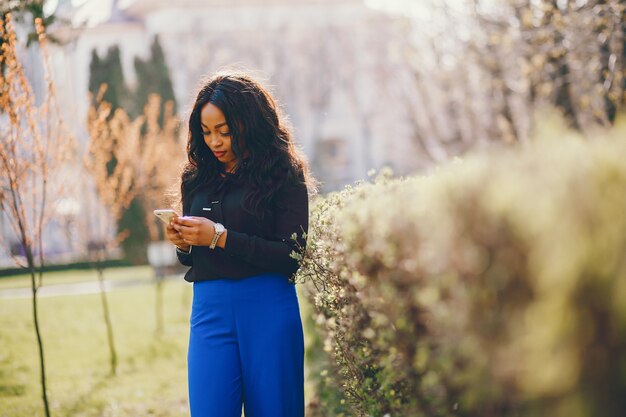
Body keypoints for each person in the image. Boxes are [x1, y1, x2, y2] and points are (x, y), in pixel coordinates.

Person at [164, 70, 315, 417]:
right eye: (206, 132)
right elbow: (193, 259)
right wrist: (185, 243)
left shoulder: (284, 173)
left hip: (268, 307)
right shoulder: (196, 177)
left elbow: (291, 256)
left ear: (249, 123)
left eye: (224, 131)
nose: (214, 142)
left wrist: (219, 237)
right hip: (210, 312)